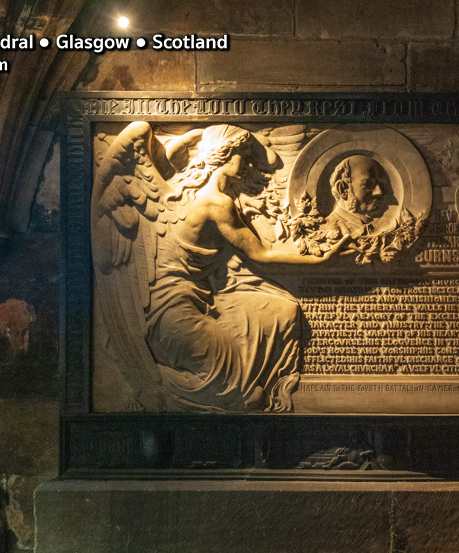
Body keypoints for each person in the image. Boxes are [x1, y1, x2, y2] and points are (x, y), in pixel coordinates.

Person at [142, 124, 347, 411]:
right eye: (243, 155)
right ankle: (150, 384)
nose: (248, 164)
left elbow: (167, 160)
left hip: (205, 299)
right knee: (237, 393)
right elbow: (261, 254)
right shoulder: (216, 203)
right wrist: (319, 260)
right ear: (223, 156)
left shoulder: (204, 195)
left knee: (285, 311)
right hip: (176, 308)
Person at [322, 154, 393, 238]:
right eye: (368, 184)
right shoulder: (328, 230)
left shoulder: (380, 227)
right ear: (343, 190)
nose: (379, 192)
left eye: (381, 185)